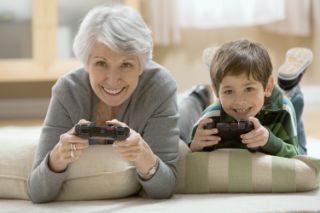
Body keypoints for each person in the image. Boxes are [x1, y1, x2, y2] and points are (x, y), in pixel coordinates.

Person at [26, 5, 209, 203]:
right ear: (86, 62)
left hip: (172, 103)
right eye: (101, 63)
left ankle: (197, 96)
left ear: (142, 64)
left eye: (126, 65)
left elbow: (164, 188)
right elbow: (36, 192)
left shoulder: (160, 86)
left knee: (183, 128)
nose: (112, 80)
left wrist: (144, 157)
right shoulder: (67, 90)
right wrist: (56, 159)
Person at [189, 39, 313, 157]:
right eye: (229, 91)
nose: (240, 101)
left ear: (269, 87)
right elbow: (189, 155)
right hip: (240, 97)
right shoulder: (210, 116)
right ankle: (220, 68)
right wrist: (194, 147)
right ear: (216, 92)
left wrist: (270, 141)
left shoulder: (283, 110)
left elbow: (296, 157)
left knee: (295, 108)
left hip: (276, 102)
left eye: (248, 89)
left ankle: (290, 87)